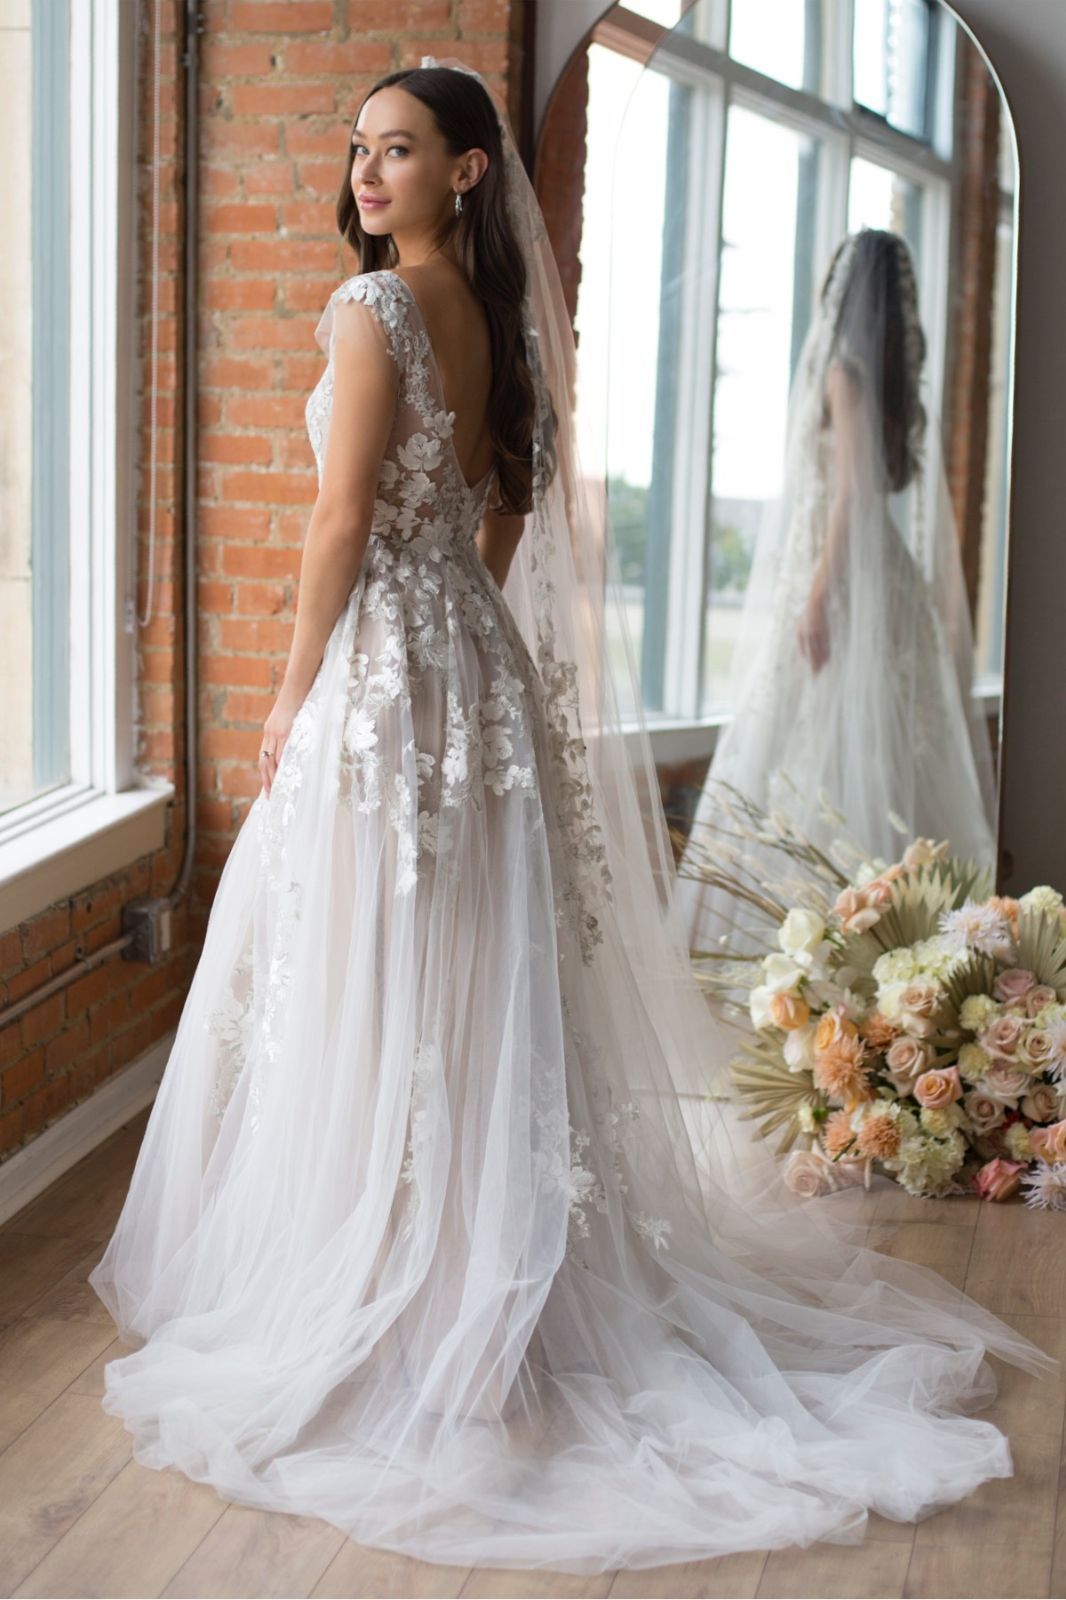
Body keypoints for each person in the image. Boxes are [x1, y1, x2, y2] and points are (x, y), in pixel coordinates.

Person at [88, 61, 1058, 1576]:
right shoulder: (493, 321)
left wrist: (289, 697)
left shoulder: (373, 314)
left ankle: (389, 1281)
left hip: (386, 677)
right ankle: (475, 1284)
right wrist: (448, 596)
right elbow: (506, 502)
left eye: (396, 151)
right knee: (464, 970)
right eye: (357, 150)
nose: (364, 172)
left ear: (466, 170)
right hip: (467, 665)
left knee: (371, 965)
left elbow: (340, 520)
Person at [677, 229, 999, 964]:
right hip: (889, 577)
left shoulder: (844, 375)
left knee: (824, 741)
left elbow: (851, 493)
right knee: (878, 746)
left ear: (840, 295)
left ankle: (820, 948)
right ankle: (896, 942)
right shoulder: (885, 384)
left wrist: (820, 591)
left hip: (846, 571)